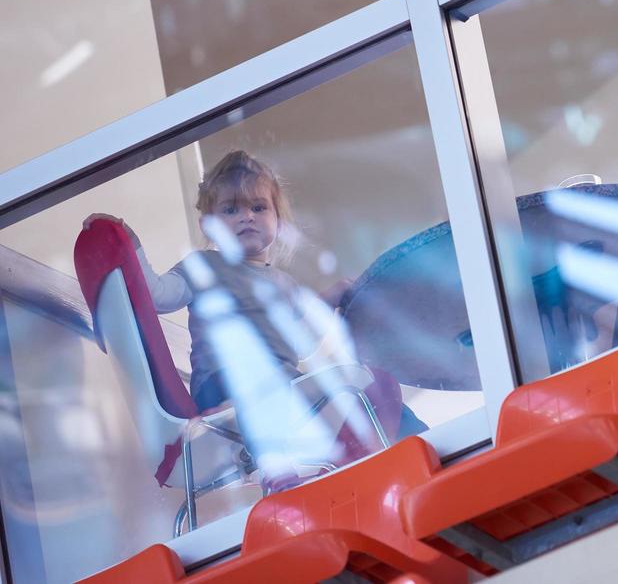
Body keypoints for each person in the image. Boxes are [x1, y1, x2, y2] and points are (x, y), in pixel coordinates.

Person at [84, 150, 423, 470]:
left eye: (258, 207)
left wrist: (333, 298)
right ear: (207, 225)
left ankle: (431, 448)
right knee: (349, 392)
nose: (246, 216)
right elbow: (157, 296)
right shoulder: (203, 266)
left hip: (281, 386)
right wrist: (128, 242)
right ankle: (313, 469)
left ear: (278, 220)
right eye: (231, 210)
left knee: (375, 389)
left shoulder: (282, 283)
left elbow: (296, 340)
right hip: (224, 384)